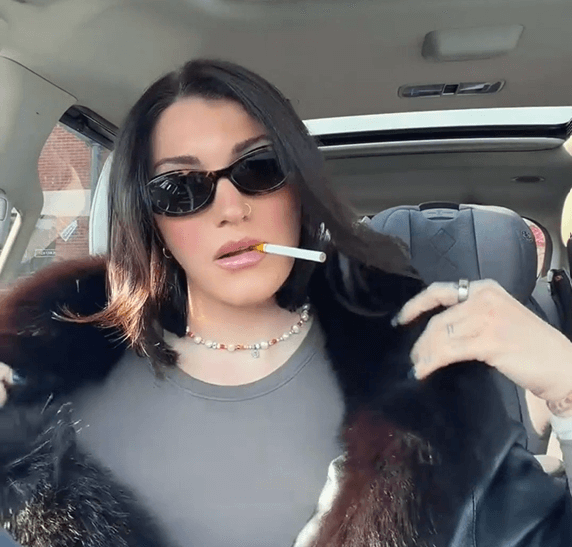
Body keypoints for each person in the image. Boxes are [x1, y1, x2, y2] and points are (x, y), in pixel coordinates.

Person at [0, 59, 570, 547]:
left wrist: (566, 384)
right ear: (151, 222)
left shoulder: (437, 388)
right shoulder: (40, 396)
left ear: (299, 188)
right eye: (181, 188)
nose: (231, 209)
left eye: (259, 168)